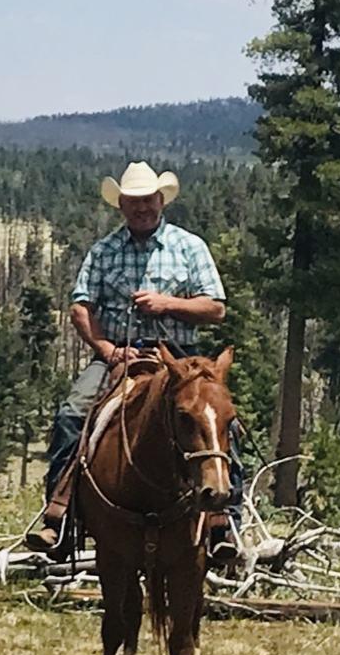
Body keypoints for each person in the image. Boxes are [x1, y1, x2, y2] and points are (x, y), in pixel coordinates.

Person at [33, 161, 244, 561]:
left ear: (161, 200)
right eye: (133, 203)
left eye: (148, 201)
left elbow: (215, 308)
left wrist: (168, 303)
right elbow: (81, 307)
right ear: (122, 206)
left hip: (181, 358)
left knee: (217, 421)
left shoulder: (188, 246)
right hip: (120, 353)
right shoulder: (104, 250)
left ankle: (225, 521)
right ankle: (59, 516)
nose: (142, 208)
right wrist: (109, 350)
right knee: (72, 416)